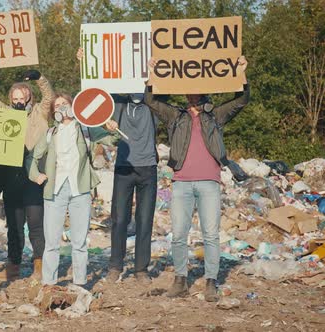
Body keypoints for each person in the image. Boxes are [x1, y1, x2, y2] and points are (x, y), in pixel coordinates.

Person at [144, 56, 250, 302]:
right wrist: (152, 75)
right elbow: (150, 100)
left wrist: (242, 73)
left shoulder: (215, 115)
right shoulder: (175, 116)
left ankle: (211, 281)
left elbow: (241, 100)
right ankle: (180, 280)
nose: (193, 93)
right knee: (179, 234)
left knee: (211, 234)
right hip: (181, 182)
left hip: (209, 182)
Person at [76, 47, 159, 284]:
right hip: (124, 167)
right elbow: (92, 92)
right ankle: (115, 266)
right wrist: (84, 64)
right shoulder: (118, 103)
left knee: (145, 220)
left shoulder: (153, 105)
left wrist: (153, 71)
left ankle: (141, 269)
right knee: (119, 219)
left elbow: (165, 86)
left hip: (149, 169)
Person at [29, 93, 117, 286]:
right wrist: (36, 175)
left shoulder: (86, 129)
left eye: (64, 104)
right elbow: (32, 158)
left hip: (80, 190)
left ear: (73, 106)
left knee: (79, 242)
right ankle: (49, 283)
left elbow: (112, 141)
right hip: (54, 191)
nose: (61, 108)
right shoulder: (50, 134)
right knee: (51, 242)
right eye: (57, 106)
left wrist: (112, 128)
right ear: (54, 112)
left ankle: (79, 283)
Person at [0, 67, 53, 281]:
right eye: (15, 98)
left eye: (22, 97)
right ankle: (13, 265)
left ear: (29, 97)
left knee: (36, 223)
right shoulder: (5, 113)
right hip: (11, 176)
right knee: (14, 225)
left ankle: (40, 266)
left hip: (33, 175)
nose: (18, 101)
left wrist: (40, 78)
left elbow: (49, 97)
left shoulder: (39, 112)